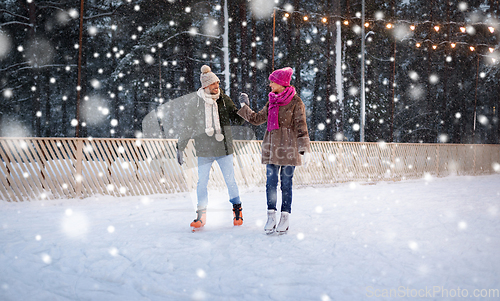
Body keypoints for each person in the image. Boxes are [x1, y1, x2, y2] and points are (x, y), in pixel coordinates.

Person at [237, 67, 311, 234]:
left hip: (289, 147)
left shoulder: (296, 102)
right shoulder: (271, 101)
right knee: (271, 183)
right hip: (271, 147)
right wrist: (244, 106)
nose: (270, 84)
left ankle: (285, 218)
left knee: (286, 184)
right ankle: (271, 216)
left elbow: (301, 126)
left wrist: (304, 148)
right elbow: (257, 119)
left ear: (281, 83)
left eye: (272, 81)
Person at [176, 65, 245, 230]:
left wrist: (244, 108)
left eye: (218, 83)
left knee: (230, 181)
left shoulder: (224, 99)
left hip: (224, 148)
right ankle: (201, 216)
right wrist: (180, 147)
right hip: (204, 149)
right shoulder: (196, 103)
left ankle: (237, 210)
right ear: (205, 85)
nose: (217, 86)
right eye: (213, 84)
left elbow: (238, 120)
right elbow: (187, 127)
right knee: (202, 183)